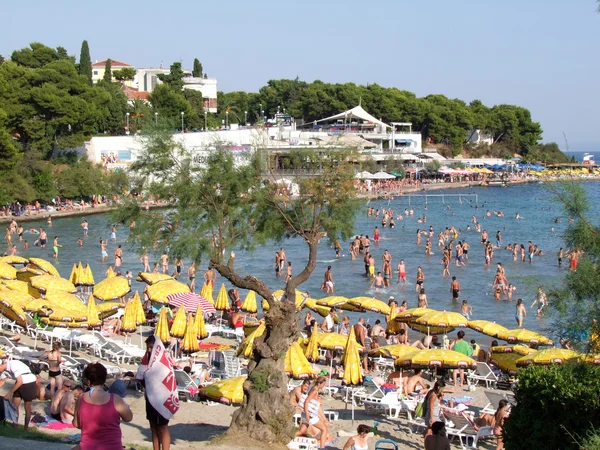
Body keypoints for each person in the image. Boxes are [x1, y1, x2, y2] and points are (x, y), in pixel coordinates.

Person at [74, 362, 133, 450]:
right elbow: (128, 418)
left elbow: (76, 424)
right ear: (104, 379)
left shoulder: (81, 399)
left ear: (88, 381)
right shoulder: (115, 399)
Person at [139, 337, 171, 450]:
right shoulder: (146, 360)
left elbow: (168, 380)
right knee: (153, 427)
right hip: (149, 397)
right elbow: (141, 376)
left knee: (163, 427)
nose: (148, 350)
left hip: (162, 399)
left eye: (151, 347)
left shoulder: (164, 361)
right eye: (147, 347)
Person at [0, 358, 38, 430]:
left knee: (27, 407)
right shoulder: (4, 371)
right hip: (19, 383)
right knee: (14, 406)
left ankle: (25, 428)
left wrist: (9, 394)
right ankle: (15, 427)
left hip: (28, 382)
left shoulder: (12, 364)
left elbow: (20, 381)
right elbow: (2, 381)